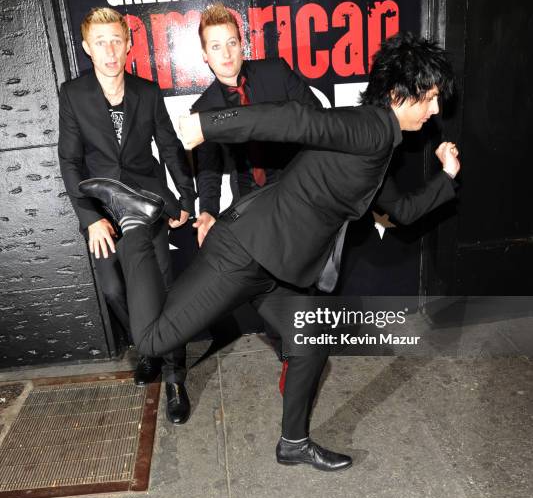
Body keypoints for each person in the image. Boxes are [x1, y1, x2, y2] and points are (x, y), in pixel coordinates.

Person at [79, 32, 461, 471]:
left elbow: (401, 210)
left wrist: (446, 179)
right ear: (399, 94)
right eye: (430, 99)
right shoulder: (370, 127)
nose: (435, 111)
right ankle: (134, 223)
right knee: (152, 340)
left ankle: (294, 443)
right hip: (245, 251)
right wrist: (207, 125)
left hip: (279, 266)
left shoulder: (380, 143)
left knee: (310, 343)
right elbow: (293, 120)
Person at [58, 7, 196, 425]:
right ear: (87, 48)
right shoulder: (73, 95)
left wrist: (184, 197)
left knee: (163, 289)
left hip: (148, 206)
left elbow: (169, 147)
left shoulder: (147, 92)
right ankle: (147, 348)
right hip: (104, 212)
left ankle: (174, 376)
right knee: (116, 289)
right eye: (100, 42)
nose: (110, 50)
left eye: (117, 40)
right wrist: (90, 218)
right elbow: (70, 161)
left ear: (129, 44)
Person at [192, 3, 321, 391]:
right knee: (264, 282)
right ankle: (288, 351)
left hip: (297, 189)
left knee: (302, 279)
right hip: (251, 201)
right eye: (216, 47)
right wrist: (208, 212)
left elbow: (315, 119)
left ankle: (304, 350)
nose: (226, 54)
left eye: (231, 43)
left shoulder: (275, 73)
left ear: (242, 44)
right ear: (204, 54)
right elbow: (209, 169)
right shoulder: (205, 109)